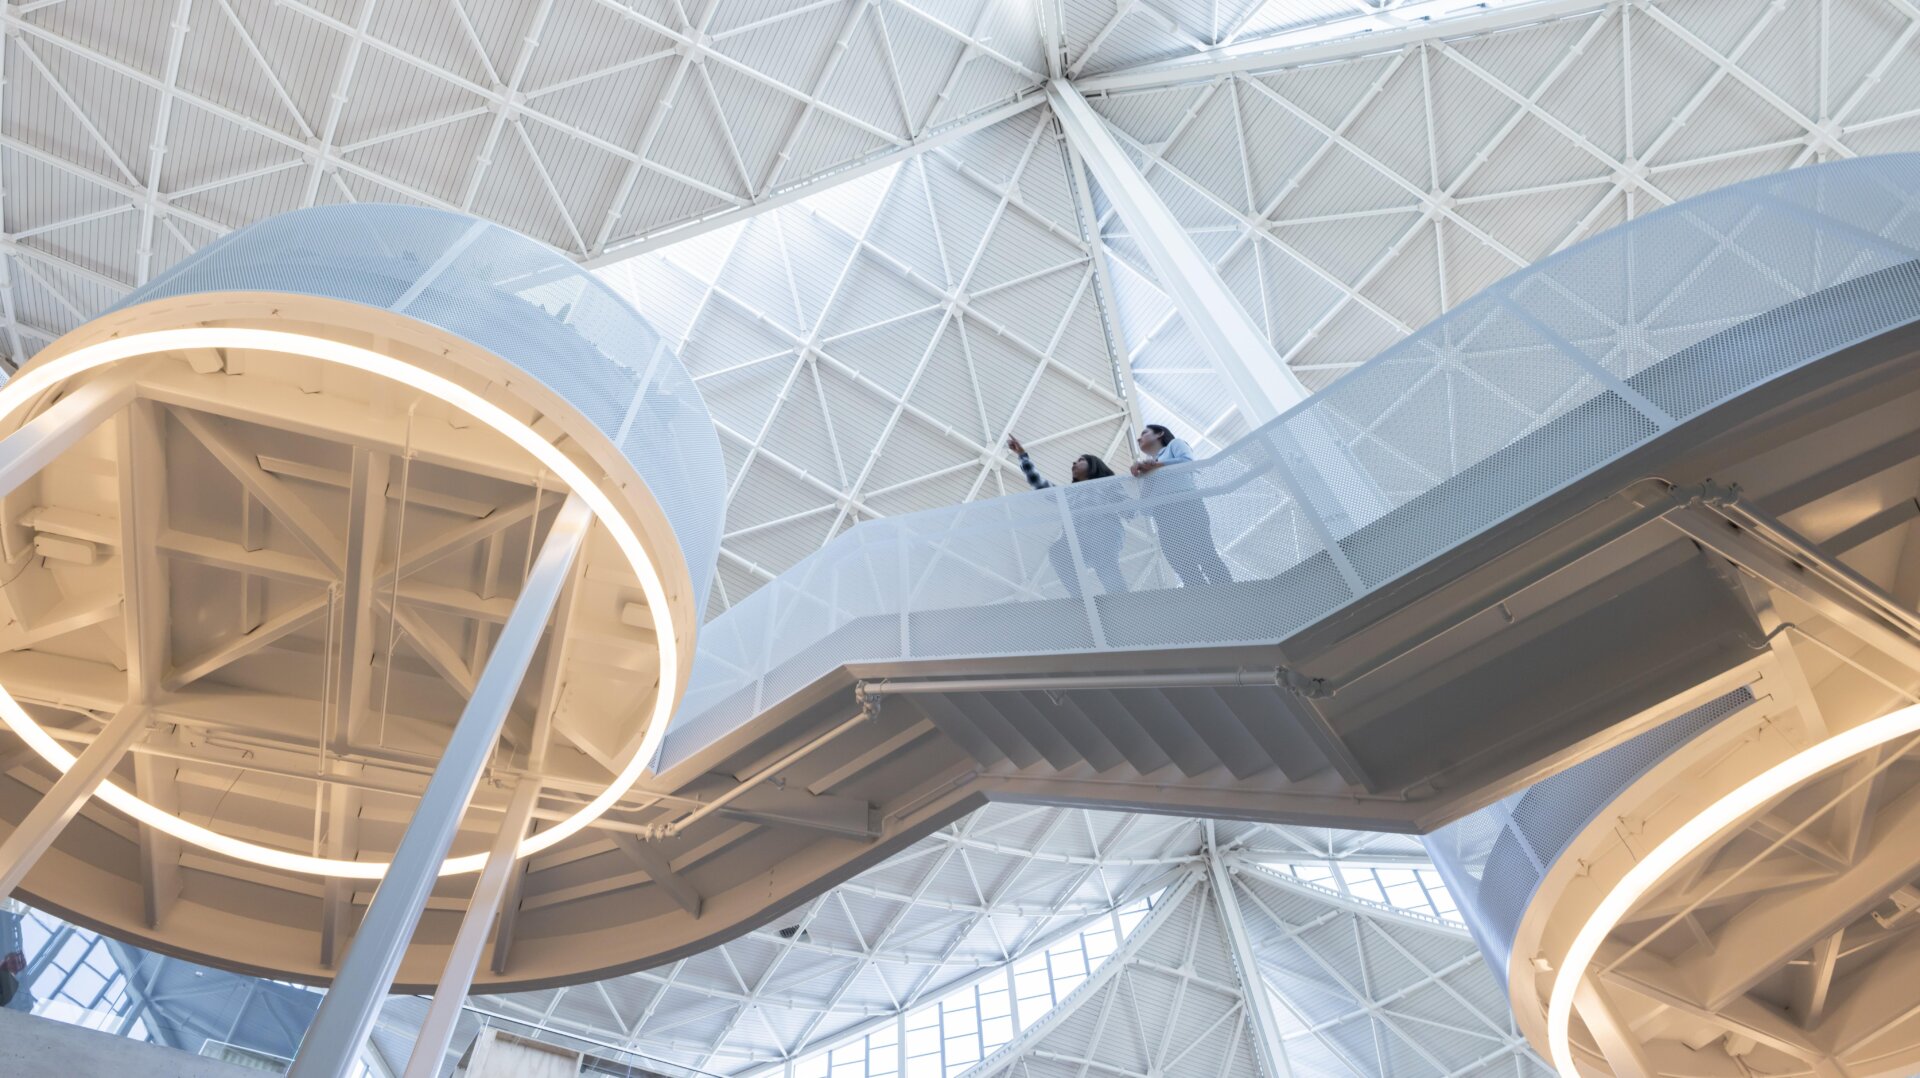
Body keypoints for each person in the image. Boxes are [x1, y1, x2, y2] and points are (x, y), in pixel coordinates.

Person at [1008, 436, 1128, 598]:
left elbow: (1128, 506)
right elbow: (1039, 484)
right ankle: (1082, 598)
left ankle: (1122, 598)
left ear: (1094, 465)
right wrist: (1022, 455)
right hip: (1079, 537)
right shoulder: (1069, 493)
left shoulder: (1106, 483)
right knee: (1058, 551)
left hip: (1103, 532)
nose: (1074, 463)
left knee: (1105, 567)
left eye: (1081, 460)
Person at [1130, 424, 1233, 587]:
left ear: (1159, 434)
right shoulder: (1148, 468)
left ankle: (1227, 589)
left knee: (1203, 551)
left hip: (1186, 505)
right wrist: (1142, 475)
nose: (1138, 438)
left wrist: (1156, 466)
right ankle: (1200, 591)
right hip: (1163, 514)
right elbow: (1146, 507)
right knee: (1177, 558)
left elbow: (1187, 462)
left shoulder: (1174, 444)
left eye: (1144, 433)